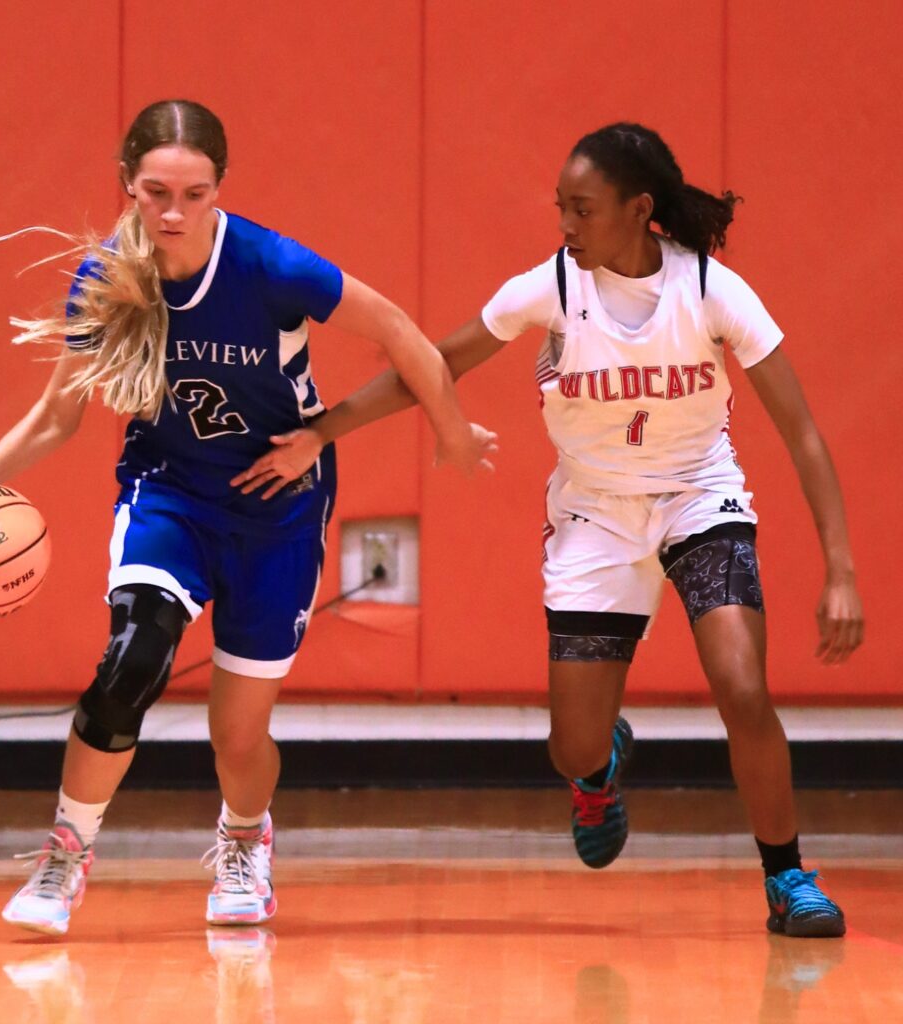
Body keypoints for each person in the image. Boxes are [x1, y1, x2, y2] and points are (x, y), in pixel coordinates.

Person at [234, 122, 864, 938]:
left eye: (583, 208)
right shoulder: (551, 289)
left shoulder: (710, 289)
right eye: (560, 207)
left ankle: (788, 879)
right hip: (594, 514)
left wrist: (840, 568)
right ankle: (599, 766)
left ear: (640, 210)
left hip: (697, 500)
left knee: (742, 688)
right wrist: (323, 430)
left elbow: (803, 432)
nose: (565, 224)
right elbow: (432, 364)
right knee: (571, 746)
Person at [0, 98, 495, 936]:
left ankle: (245, 837)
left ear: (221, 189)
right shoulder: (108, 277)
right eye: (155, 192)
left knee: (237, 734)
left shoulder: (270, 265)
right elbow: (55, 417)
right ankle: (65, 855)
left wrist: (445, 434)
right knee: (132, 659)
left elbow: (403, 333)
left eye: (194, 193)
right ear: (128, 186)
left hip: (278, 503)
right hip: (171, 492)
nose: (174, 212)